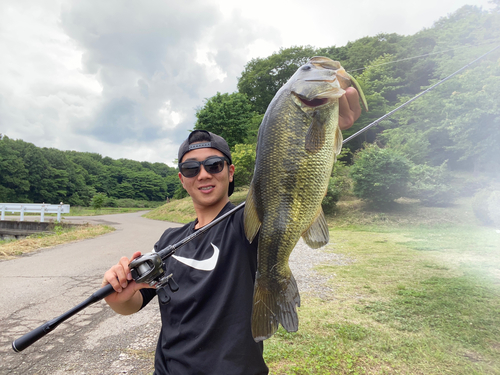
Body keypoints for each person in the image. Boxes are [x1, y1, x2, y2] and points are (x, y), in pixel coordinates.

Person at [102, 87, 361, 375]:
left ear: (230, 171)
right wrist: (119, 296)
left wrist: (319, 130)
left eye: (214, 165)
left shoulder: (247, 221)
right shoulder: (168, 242)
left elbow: (289, 183)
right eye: (191, 169)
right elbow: (133, 303)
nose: (203, 174)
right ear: (182, 179)